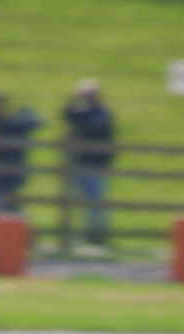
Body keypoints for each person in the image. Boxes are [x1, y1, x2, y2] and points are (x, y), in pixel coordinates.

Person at [62, 78, 115, 248]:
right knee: (74, 201)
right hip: (79, 163)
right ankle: (75, 236)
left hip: (94, 164)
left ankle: (97, 237)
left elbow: (93, 129)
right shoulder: (80, 111)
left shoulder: (101, 113)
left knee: (95, 202)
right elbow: (65, 114)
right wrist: (74, 98)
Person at [0, 94, 41, 216]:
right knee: (3, 206)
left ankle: (17, 226)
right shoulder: (2, 124)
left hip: (6, 174)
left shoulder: (8, 124)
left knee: (4, 206)